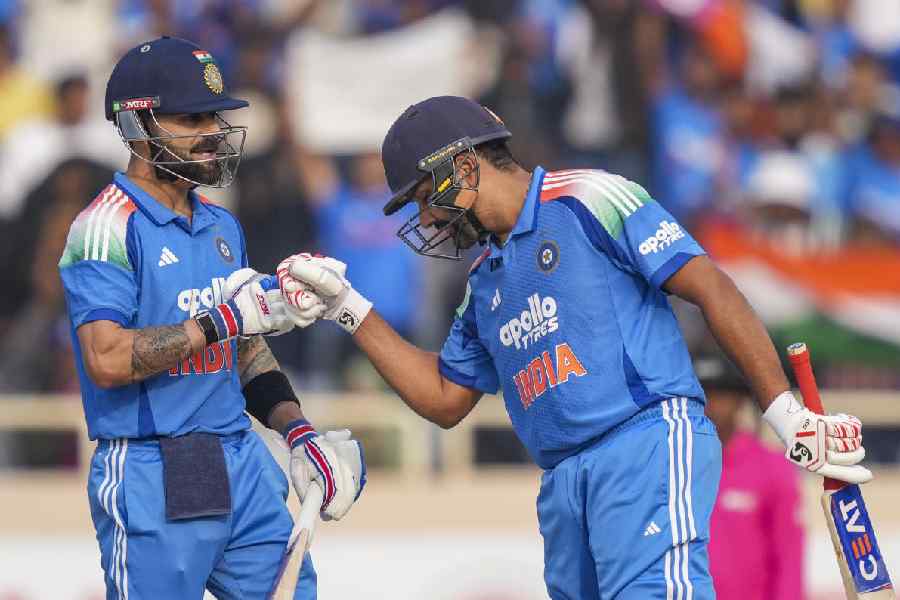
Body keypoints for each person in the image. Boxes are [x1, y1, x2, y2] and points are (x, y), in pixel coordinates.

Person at [276, 96, 871, 600]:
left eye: (425, 195)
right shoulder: (484, 282)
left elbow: (709, 287)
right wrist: (346, 307)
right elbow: (443, 399)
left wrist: (783, 411)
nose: (427, 218)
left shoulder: (589, 197)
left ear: (463, 165)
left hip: (644, 445)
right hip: (563, 482)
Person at [57, 37, 365, 599]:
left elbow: (244, 347)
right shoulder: (103, 227)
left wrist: (296, 431)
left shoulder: (222, 225)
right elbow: (105, 358)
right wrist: (221, 320)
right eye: (191, 117)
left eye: (215, 116)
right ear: (136, 125)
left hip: (241, 459)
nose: (212, 132)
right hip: (152, 463)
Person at [697, 354, 805, 600]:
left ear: (740, 400)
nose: (711, 404)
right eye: (703, 394)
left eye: (720, 393)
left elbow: (788, 556)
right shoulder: (671, 466)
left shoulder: (772, 467)